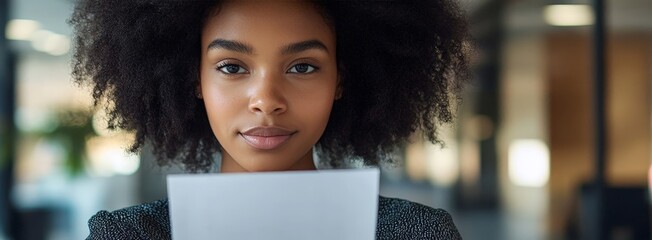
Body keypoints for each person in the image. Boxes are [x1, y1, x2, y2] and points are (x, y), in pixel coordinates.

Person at [71, 0, 470, 239]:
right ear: (195, 79)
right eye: (231, 67)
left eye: (302, 67)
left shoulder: (414, 234)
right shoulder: (131, 236)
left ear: (340, 81)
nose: (266, 100)